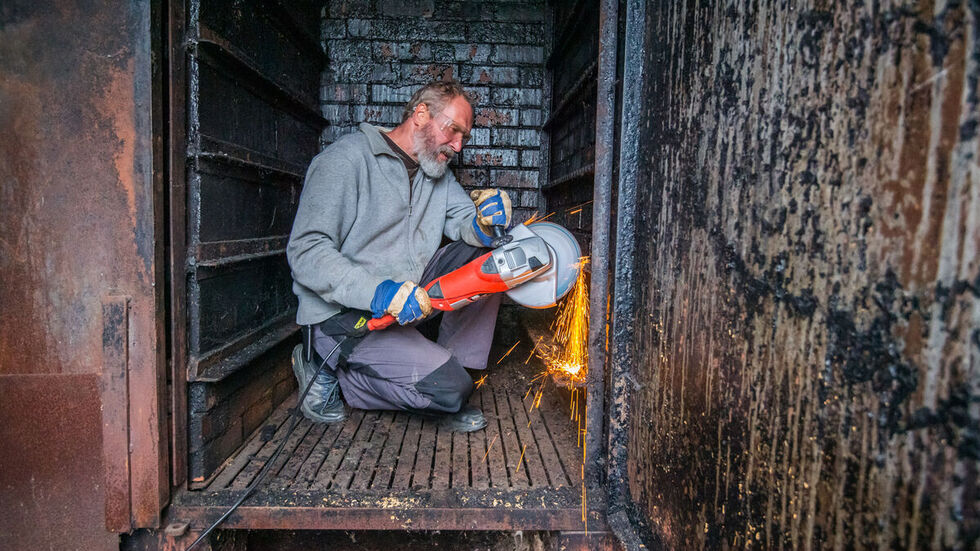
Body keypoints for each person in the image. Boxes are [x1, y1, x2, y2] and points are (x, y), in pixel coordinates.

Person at [286, 80, 512, 432]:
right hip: (347, 316)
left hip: (406, 303)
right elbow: (306, 251)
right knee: (448, 392)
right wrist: (378, 292)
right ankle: (327, 366)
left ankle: (450, 368)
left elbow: (465, 224)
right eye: (453, 131)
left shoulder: (436, 173)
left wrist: (484, 223)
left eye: (464, 137)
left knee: (490, 255)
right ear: (421, 115)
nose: (457, 146)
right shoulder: (346, 160)